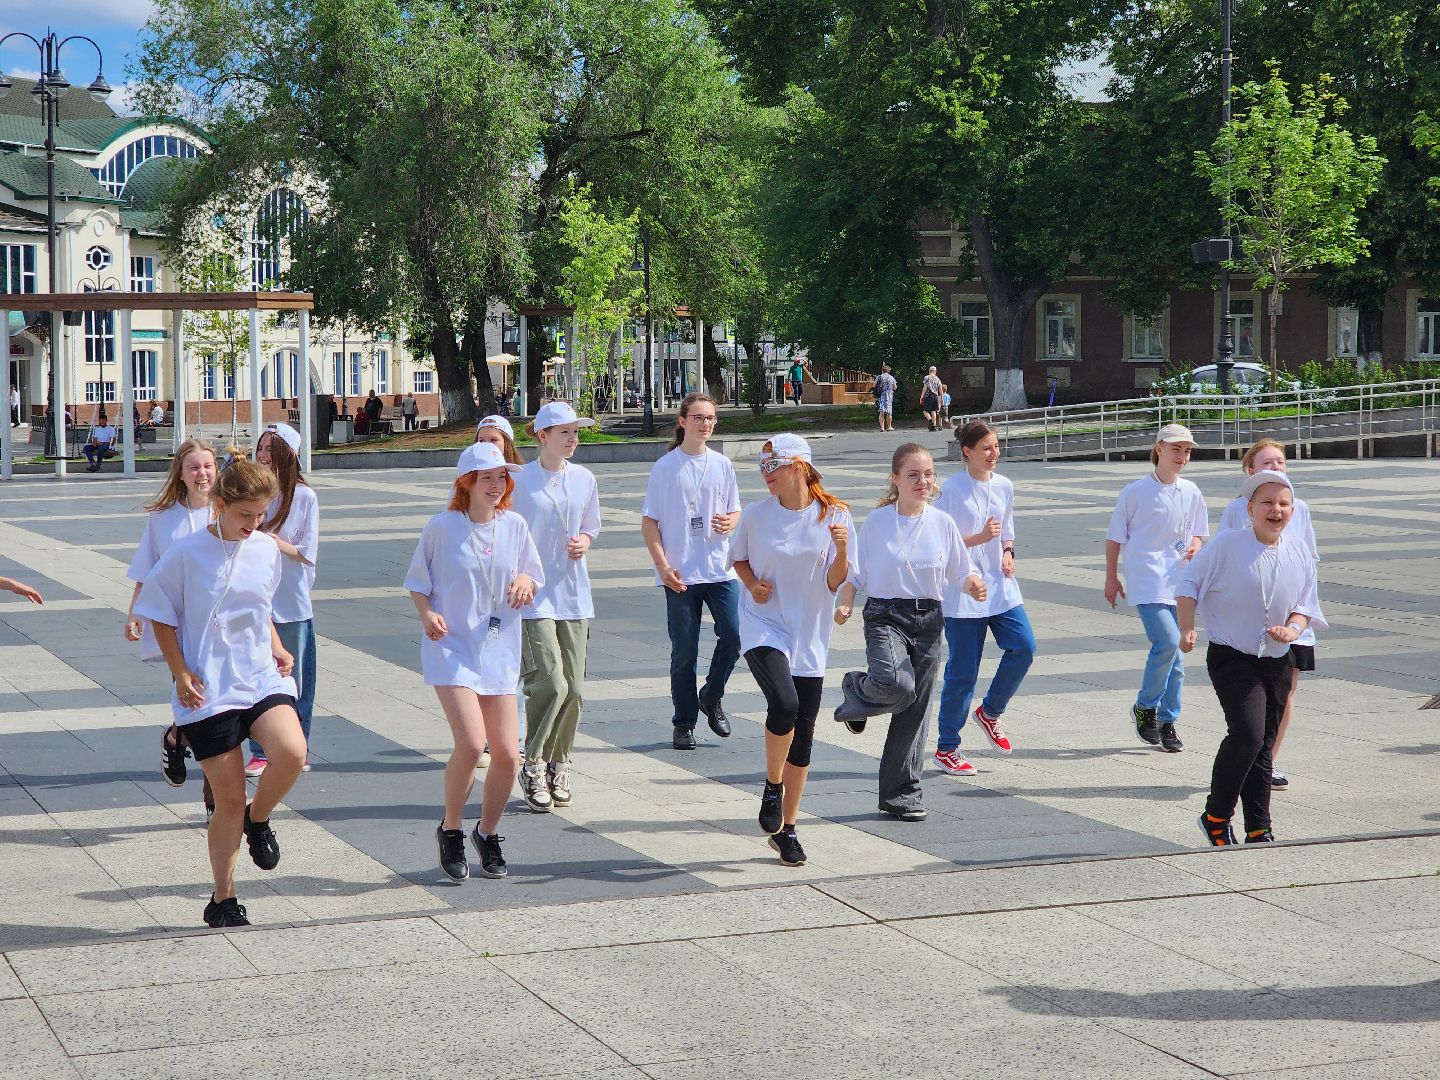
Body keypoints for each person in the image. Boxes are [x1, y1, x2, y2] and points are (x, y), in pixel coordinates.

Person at [133, 458, 306, 928]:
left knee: (292, 752)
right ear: (220, 504)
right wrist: (180, 670)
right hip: (208, 687)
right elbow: (160, 613)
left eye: (261, 515)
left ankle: (261, 817)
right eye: (245, 515)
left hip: (258, 675)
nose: (254, 525)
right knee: (227, 798)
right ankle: (223, 899)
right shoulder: (187, 553)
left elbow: (259, 607)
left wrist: (277, 646)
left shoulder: (266, 550)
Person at [404, 442, 542, 881]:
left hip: (498, 648)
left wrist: (524, 578)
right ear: (466, 483)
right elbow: (417, 582)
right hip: (452, 647)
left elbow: (532, 574)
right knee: (470, 743)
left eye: (502, 478)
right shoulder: (443, 527)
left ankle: (488, 832)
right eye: (487, 478)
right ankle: (450, 829)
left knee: (506, 754)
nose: (496, 485)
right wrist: (428, 613)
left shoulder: (515, 526)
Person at [833, 443, 986, 821]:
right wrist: (845, 601)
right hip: (886, 615)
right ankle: (858, 688)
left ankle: (902, 795)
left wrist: (972, 584)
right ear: (896, 479)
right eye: (914, 474)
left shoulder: (942, 523)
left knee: (915, 707)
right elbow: (856, 574)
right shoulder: (878, 522)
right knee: (896, 684)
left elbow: (960, 570)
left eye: (929, 474)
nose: (923, 481)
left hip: (930, 620)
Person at [1179, 470, 1327, 846]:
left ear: (1292, 511)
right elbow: (1189, 584)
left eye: (1283, 504)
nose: (1275, 510)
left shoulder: (1299, 551)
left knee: (1264, 741)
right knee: (1247, 733)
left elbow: (1305, 605)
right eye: (1267, 503)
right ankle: (1215, 816)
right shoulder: (1229, 544)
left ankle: (1259, 827)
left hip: (1277, 658)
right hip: (1232, 655)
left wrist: (1292, 630)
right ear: (1250, 509)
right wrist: (1186, 627)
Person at [731, 434, 854, 865]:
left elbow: (838, 580)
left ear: (798, 467)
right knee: (784, 703)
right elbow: (738, 559)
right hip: (764, 625)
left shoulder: (835, 515)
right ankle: (771, 784)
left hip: (810, 633)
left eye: (773, 468)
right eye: (763, 469)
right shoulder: (755, 515)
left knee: (803, 738)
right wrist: (753, 586)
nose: (767, 477)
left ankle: (788, 829)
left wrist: (840, 548)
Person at [1215, 439, 1320, 791]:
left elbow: (1310, 561)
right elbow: (1221, 563)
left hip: (1293, 619)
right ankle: (1253, 758)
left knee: (1285, 693)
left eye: (1280, 462)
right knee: (1252, 705)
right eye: (1267, 463)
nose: (1275, 468)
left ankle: (1269, 761)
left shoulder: (1299, 507)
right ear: (1250, 471)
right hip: (1251, 623)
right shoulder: (1237, 510)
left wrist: (1300, 617)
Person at [932, 421, 1036, 776]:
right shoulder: (952, 488)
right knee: (963, 672)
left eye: (996, 446)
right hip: (963, 588)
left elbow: (1007, 531)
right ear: (968, 452)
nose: (995, 454)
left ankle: (990, 712)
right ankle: (947, 747)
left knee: (1024, 647)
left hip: (1000, 585)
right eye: (987, 448)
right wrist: (977, 538)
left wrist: (1008, 552)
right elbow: (941, 542)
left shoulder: (1005, 486)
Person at [641, 392, 742, 751]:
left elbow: (736, 512)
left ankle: (711, 695)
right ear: (682, 421)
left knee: (733, 636)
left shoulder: (722, 464)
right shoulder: (666, 467)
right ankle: (684, 722)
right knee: (684, 650)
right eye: (699, 417)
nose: (706, 424)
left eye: (711, 418)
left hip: (719, 569)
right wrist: (663, 566)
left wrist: (731, 520)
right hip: (680, 574)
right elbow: (650, 522)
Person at [513, 402, 601, 813]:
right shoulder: (520, 483)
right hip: (533, 599)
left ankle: (558, 762)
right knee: (551, 683)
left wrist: (585, 541)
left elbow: (590, 525)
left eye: (575, 431)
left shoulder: (584, 479)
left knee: (577, 690)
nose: (572, 438)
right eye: (564, 432)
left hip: (573, 596)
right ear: (541, 435)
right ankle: (531, 762)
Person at [123, 438, 219, 798]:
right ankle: (215, 791)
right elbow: (147, 569)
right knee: (195, 692)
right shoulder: (163, 518)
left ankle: (178, 737)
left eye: (208, 466)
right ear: (180, 473)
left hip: (216, 622)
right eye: (194, 467)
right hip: (173, 622)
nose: (202, 474)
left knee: (213, 702)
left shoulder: (226, 511)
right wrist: (135, 613)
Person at [1104, 424, 1208, 753]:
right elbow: (1115, 537)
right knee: (1167, 642)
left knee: (1178, 657)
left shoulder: (1191, 492)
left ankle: (1167, 721)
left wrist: (1193, 545)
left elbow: (1198, 533)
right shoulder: (1134, 492)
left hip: (1180, 579)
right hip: (1146, 578)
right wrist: (1111, 576)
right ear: (1159, 449)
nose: (1182, 456)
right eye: (1176, 449)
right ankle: (1145, 706)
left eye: (1187, 451)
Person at [243, 423, 320, 778]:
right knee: (257, 674)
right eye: (259, 448)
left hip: (291, 602)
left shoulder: (304, 497)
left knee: (294, 679)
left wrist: (269, 539)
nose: (262, 455)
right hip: (256, 601)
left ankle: (297, 746)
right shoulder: (252, 493)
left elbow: (305, 553)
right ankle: (259, 750)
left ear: (288, 455)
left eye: (269, 448)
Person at [874, 364, 897, 433]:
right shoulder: (891, 377)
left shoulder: (879, 377)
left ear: (882, 370)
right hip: (889, 396)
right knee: (889, 412)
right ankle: (889, 426)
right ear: (889, 370)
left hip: (881, 396)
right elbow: (895, 387)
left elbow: (874, 385)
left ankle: (882, 427)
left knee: (881, 412)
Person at [920, 367, 943, 431]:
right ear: (935, 371)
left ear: (929, 371)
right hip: (935, 396)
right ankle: (934, 426)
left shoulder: (927, 377)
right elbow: (940, 388)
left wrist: (921, 396)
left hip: (929, 396)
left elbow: (925, 387)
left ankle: (930, 420)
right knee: (934, 411)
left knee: (925, 410)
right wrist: (941, 397)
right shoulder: (937, 379)